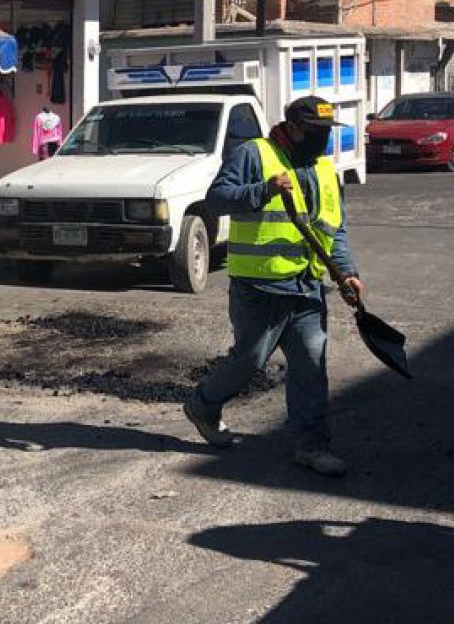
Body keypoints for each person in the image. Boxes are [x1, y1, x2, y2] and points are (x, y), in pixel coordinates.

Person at [184, 96, 364, 478]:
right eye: (316, 133)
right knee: (249, 362)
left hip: (307, 287)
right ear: (294, 128)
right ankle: (202, 405)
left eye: (327, 133)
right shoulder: (254, 154)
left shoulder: (325, 169)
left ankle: (312, 445)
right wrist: (263, 189)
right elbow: (216, 200)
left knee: (311, 367)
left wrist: (347, 272)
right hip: (259, 287)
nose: (323, 140)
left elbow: (335, 228)